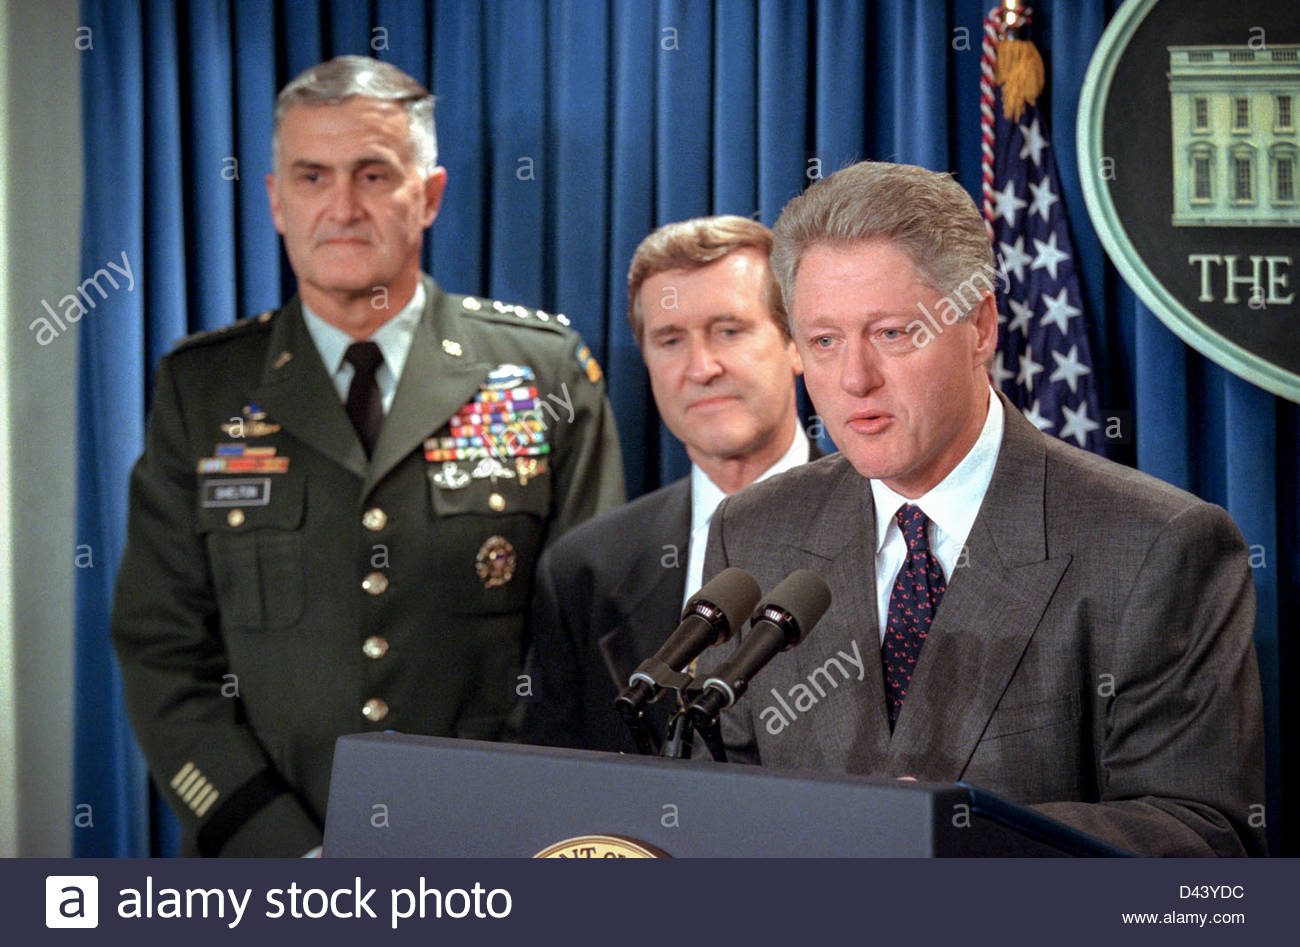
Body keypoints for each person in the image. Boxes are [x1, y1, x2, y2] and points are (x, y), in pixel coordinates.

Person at [110, 56, 624, 857]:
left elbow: (587, 639)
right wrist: (279, 843)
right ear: (278, 201)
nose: (342, 207)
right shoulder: (202, 390)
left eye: (373, 174)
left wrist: (510, 826)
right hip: (269, 864)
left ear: (429, 195)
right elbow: (162, 647)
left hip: (493, 854)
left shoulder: (540, 371)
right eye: (312, 177)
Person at [693, 161, 1265, 857]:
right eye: (824, 341)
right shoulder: (752, 531)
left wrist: (960, 833)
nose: (853, 379)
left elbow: (1203, 841)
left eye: (893, 333)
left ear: (981, 325)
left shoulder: (1157, 544)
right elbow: (718, 792)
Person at [519, 216, 818, 752]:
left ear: (796, 343)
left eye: (729, 330)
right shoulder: (584, 569)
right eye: (670, 340)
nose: (701, 367)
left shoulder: (887, 533)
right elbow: (551, 781)